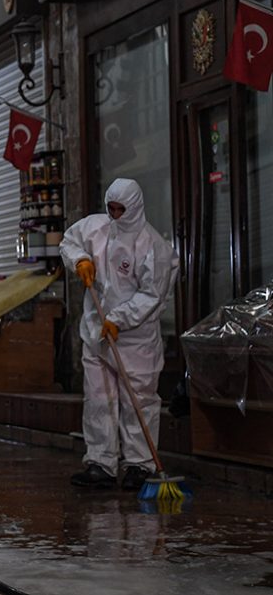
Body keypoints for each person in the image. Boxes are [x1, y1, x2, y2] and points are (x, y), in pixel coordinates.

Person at [59, 178, 178, 491]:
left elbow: (152, 296)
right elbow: (69, 242)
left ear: (134, 207)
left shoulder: (154, 247)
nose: (114, 214)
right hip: (95, 333)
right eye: (110, 207)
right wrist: (80, 261)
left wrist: (118, 319)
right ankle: (101, 462)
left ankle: (140, 464)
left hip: (135, 341)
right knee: (99, 398)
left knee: (138, 400)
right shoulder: (96, 229)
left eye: (120, 209)